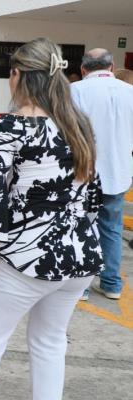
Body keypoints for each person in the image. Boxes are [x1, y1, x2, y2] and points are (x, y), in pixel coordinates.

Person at [0, 38, 102, 400]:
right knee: (49, 342)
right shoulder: (79, 125)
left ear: (18, 75)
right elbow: (93, 190)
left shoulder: (13, 125)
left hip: (30, 256)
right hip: (80, 254)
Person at [71, 48, 133, 301]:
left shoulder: (75, 91)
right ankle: (111, 284)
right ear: (111, 66)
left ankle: (82, 286)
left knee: (81, 226)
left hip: (83, 172)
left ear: (84, 69)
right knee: (112, 228)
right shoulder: (130, 92)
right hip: (119, 172)